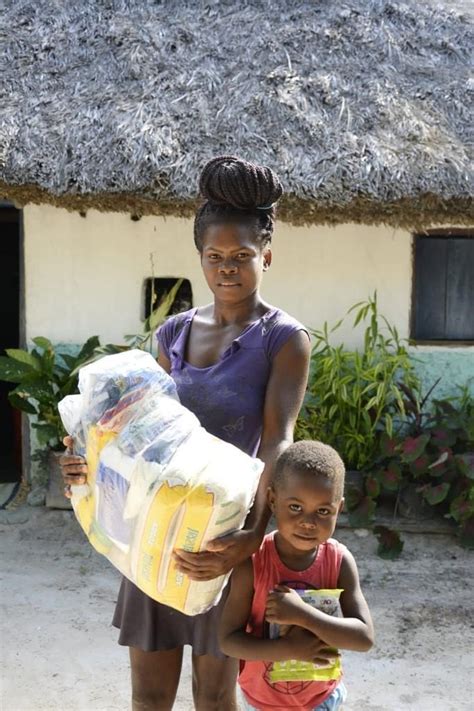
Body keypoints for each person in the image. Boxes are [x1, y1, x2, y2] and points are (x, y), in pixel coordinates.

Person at [60, 155, 311, 710]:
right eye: (215, 256)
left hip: (223, 538)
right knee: (149, 697)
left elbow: (277, 439)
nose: (228, 268)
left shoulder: (283, 339)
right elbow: (134, 429)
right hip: (154, 529)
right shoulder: (173, 332)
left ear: (266, 255)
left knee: (214, 695)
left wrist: (251, 535)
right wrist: (83, 461)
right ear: (200, 258)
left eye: (242, 256)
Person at [219, 440, 374, 711]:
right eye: (295, 507)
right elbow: (228, 641)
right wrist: (289, 649)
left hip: (322, 699)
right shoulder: (253, 563)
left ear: (339, 509)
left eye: (323, 511)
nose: (308, 521)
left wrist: (302, 615)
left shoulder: (339, 562)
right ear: (272, 500)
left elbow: (363, 638)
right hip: (262, 702)